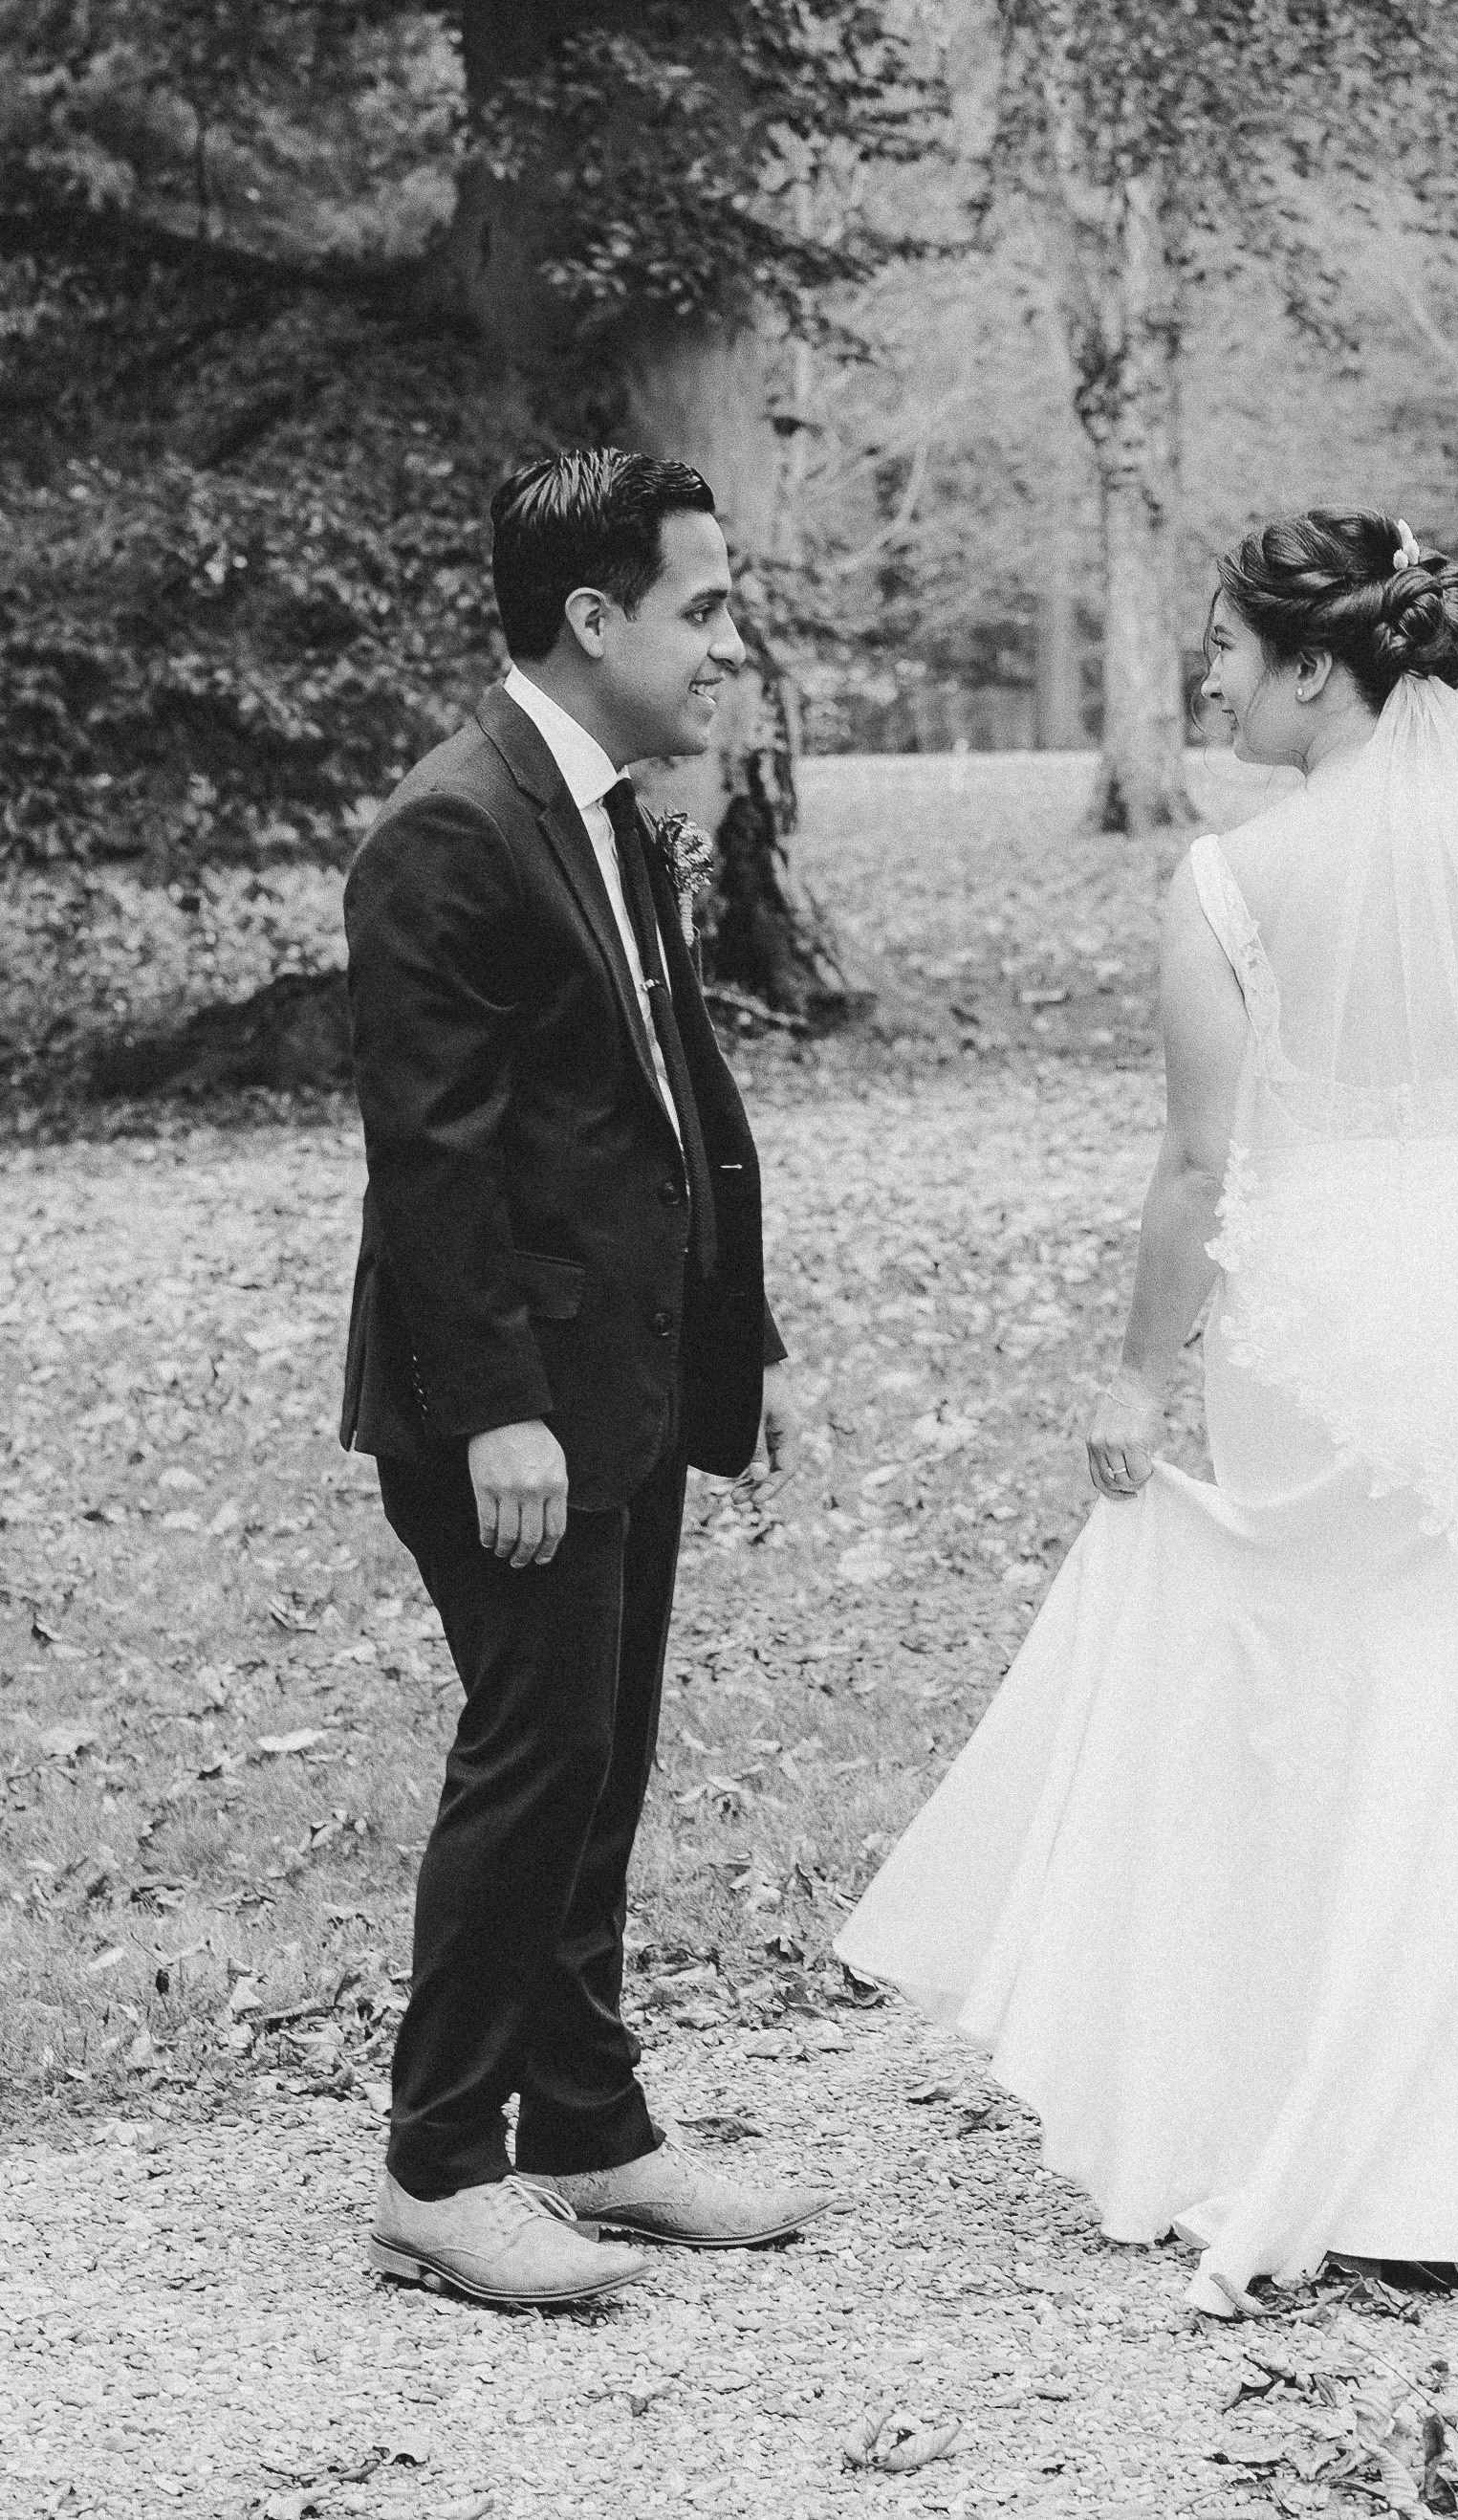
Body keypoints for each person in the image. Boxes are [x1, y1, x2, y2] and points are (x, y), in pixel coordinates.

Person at [836, 511, 1458, 2314]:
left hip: (1326, 1331)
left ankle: (1310, 2120)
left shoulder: (1238, 883)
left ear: (1320, 666)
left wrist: (1129, 1373)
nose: (1208, 677)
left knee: (1322, 1710)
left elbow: (1199, 1164)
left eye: (1232, 651)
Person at [342, 448, 832, 2309]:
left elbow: (666, 1098)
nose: (724, 643)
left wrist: (738, 1335)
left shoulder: (606, 806)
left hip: (620, 1378)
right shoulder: (448, 829)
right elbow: (434, 1153)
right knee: (536, 1750)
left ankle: (593, 2130)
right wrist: (498, 1412)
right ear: (593, 616)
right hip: (509, 1410)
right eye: (702, 608)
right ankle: (439, 2166)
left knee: (599, 1754)